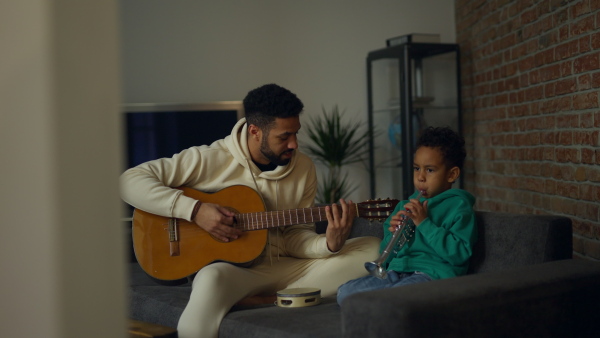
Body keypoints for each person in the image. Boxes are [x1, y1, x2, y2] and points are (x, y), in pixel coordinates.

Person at [120, 84, 380, 338]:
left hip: (289, 268)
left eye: (295, 133)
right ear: (255, 131)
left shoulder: (304, 168)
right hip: (235, 272)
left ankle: (269, 297)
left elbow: (295, 236)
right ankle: (281, 295)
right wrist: (195, 210)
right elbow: (129, 181)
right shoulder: (208, 159)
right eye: (284, 136)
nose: (294, 144)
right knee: (210, 279)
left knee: (373, 248)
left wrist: (330, 244)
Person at [336, 126, 477, 305]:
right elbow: (386, 254)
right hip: (397, 273)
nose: (421, 177)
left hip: (433, 276)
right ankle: (383, 307)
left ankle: (383, 307)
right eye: (417, 168)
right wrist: (393, 232)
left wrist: (424, 223)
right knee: (345, 293)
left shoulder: (458, 207)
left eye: (430, 170)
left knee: (394, 298)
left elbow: (459, 254)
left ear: (452, 174)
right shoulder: (404, 206)